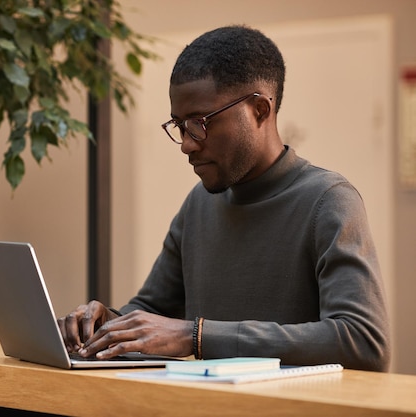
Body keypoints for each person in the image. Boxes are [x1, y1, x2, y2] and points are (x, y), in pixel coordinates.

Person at [57, 25, 390, 371]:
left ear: (260, 110)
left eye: (200, 122)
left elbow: (364, 341)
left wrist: (197, 337)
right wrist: (103, 324)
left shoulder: (328, 201)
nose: (187, 143)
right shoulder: (199, 204)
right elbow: (151, 312)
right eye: (179, 125)